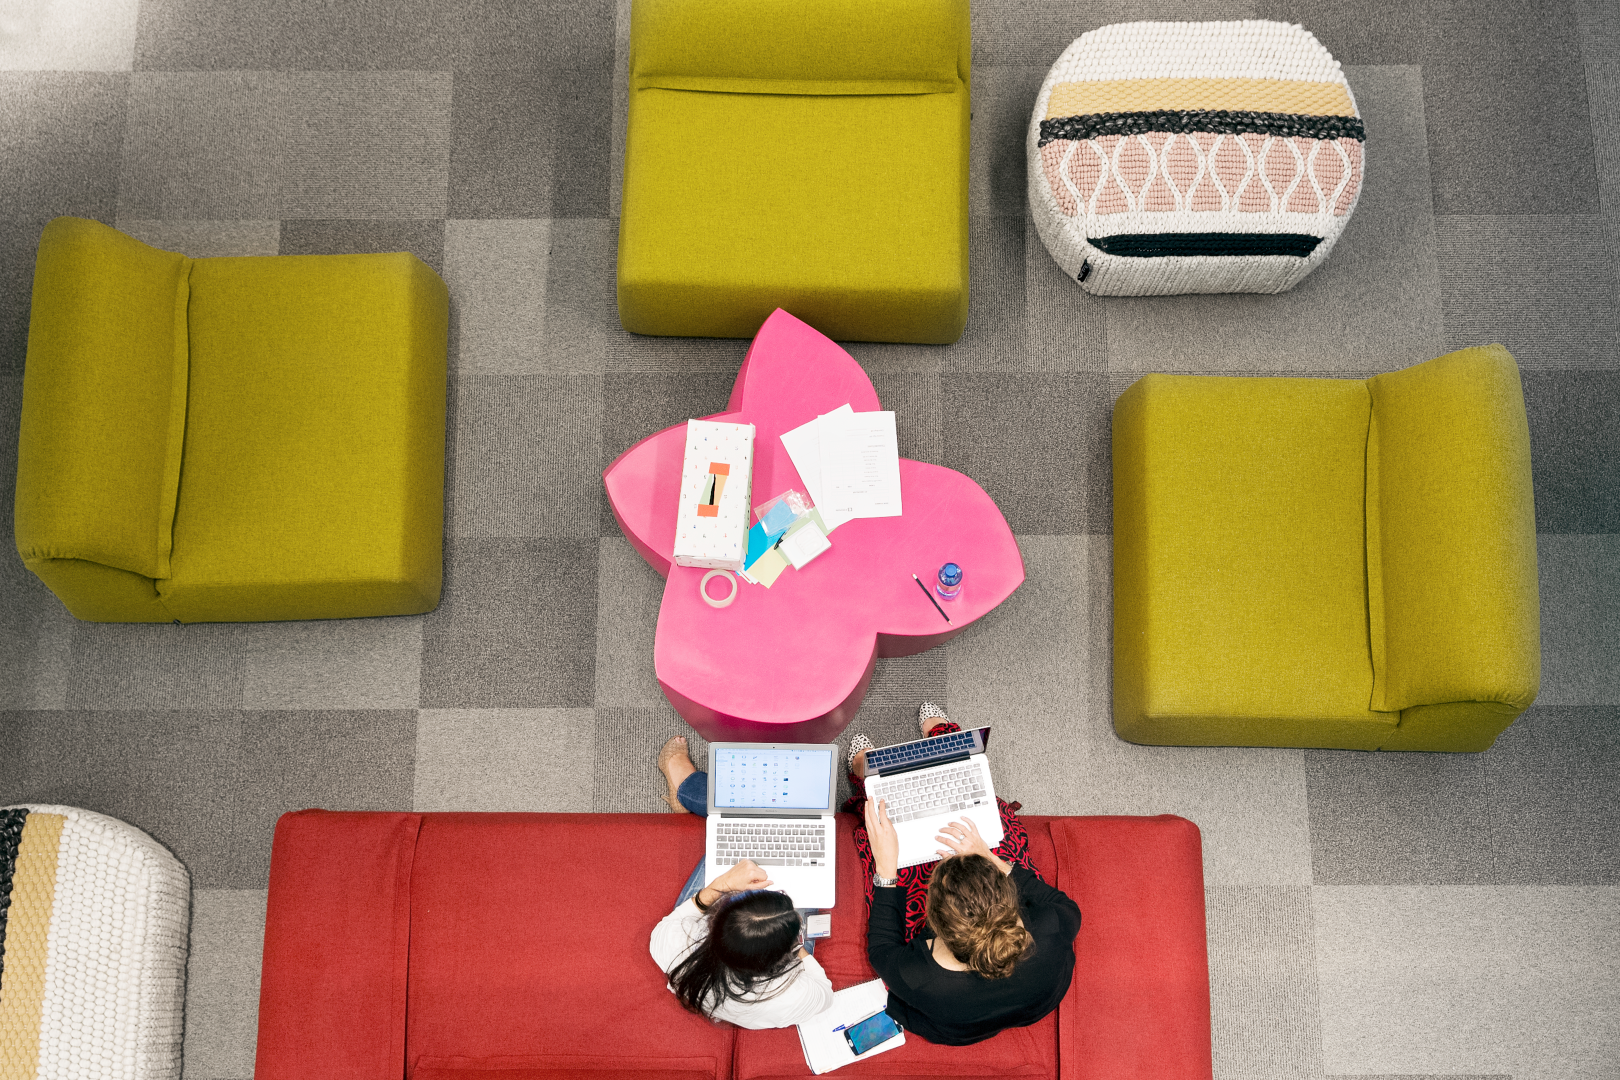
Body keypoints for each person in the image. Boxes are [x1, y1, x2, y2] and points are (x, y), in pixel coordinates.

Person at [847, 704, 1082, 1045]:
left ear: (932, 924)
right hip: (1029, 1001)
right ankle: (946, 744)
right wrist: (988, 854)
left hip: (956, 1019)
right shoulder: (1053, 926)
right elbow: (1061, 903)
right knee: (990, 826)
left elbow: (882, 948)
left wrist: (887, 869)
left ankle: (866, 770)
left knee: (886, 849)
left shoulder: (919, 977)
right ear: (1009, 898)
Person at [650, 739, 835, 1028]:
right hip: (774, 955)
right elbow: (825, 992)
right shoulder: (791, 996)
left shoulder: (680, 949)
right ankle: (689, 791)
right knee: (798, 816)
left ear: (717, 922)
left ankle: (685, 790)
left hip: (732, 947)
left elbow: (664, 930)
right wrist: (796, 948)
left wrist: (722, 884)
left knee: (743, 816)